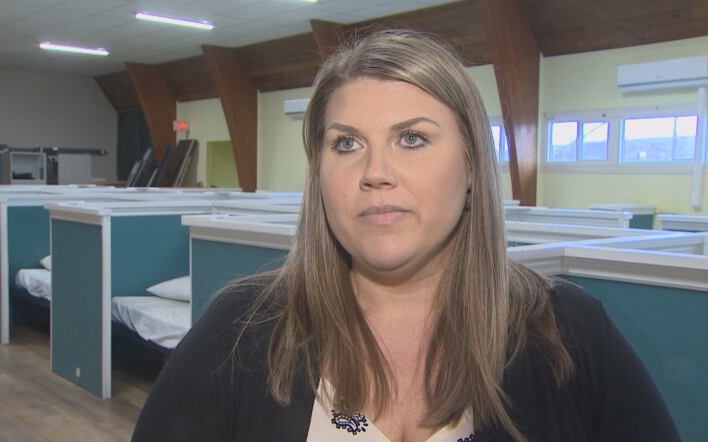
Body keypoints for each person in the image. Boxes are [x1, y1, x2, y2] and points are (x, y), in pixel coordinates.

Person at [132, 29, 679, 442]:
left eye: (412, 139)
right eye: (346, 144)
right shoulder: (240, 333)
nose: (375, 171)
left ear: (471, 169)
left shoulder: (566, 334)